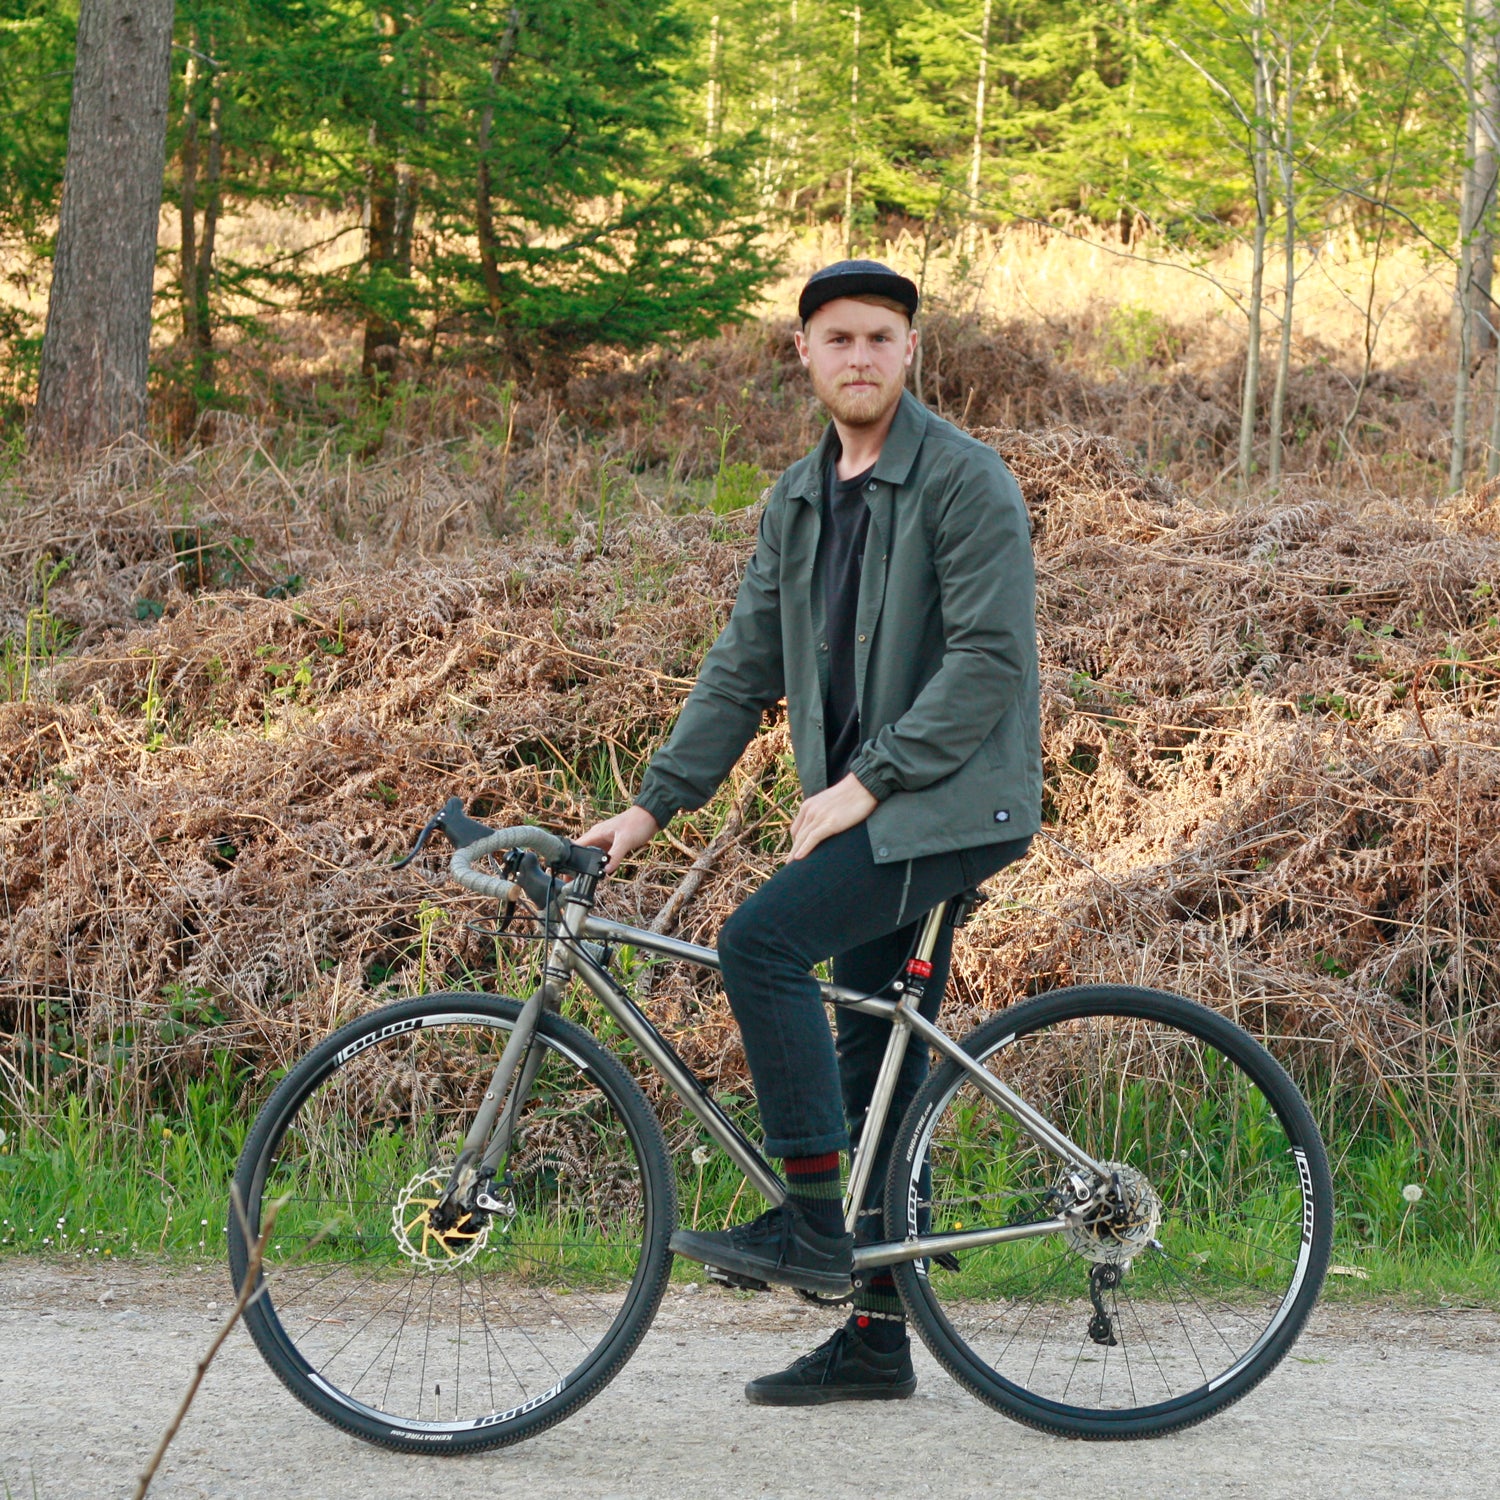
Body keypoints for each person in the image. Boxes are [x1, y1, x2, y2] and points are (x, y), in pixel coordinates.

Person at [577, 259, 1041, 1406]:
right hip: (879, 807)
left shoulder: (964, 481)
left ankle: (810, 1224)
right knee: (871, 1059)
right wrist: (647, 808)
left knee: (761, 944)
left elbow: (989, 662)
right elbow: (741, 671)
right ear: (805, 355)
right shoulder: (798, 498)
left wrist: (868, 782)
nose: (860, 358)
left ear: (911, 352)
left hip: (945, 803)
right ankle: (878, 1343)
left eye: (881, 338)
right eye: (838, 340)